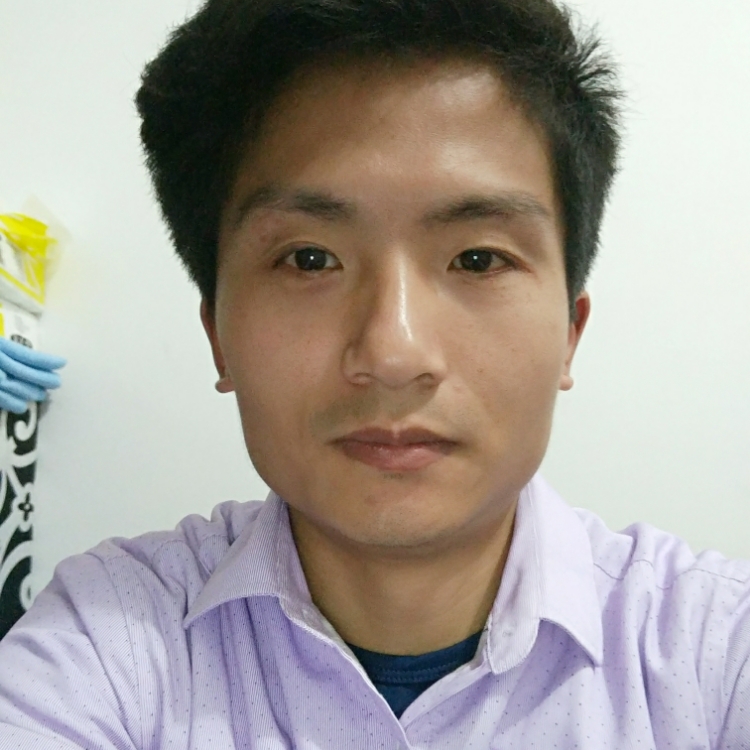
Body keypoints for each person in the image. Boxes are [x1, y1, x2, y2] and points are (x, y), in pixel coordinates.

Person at [0, 0, 748, 746]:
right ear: (218, 335)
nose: (394, 354)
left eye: (477, 258)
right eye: (309, 259)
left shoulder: (714, 655)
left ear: (570, 334)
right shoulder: (106, 644)